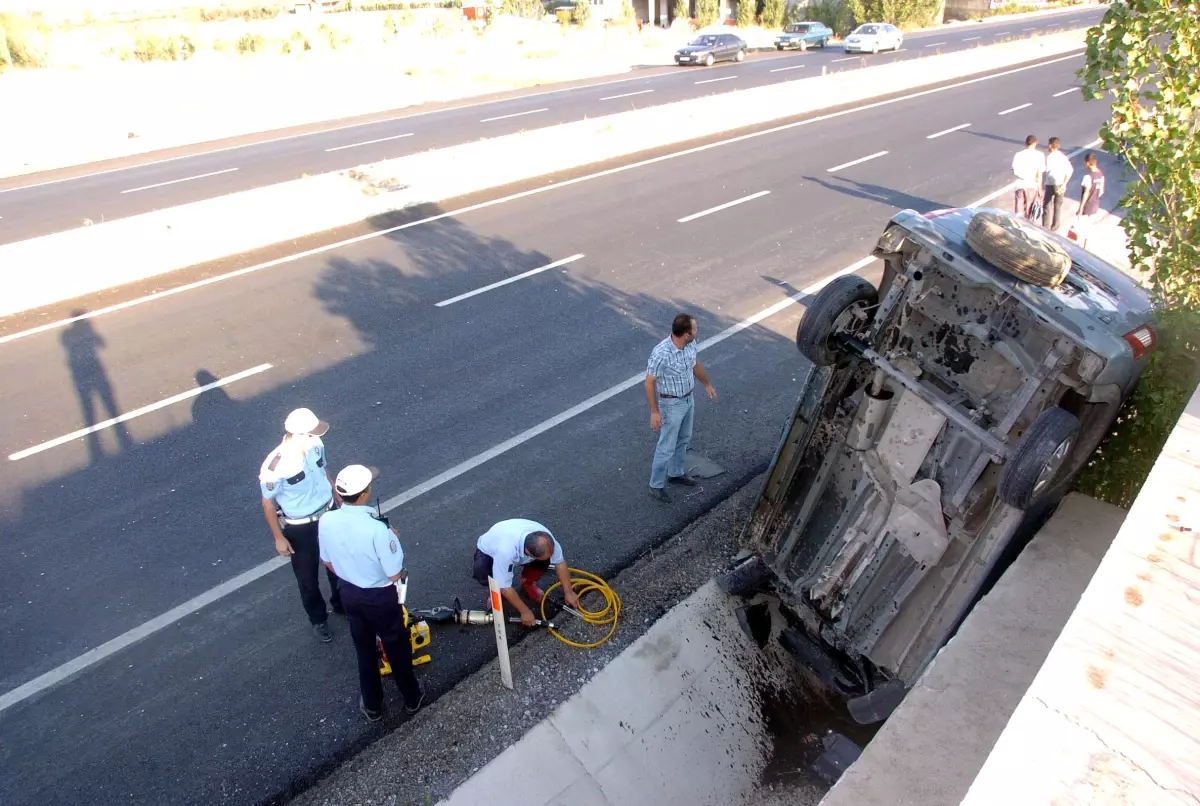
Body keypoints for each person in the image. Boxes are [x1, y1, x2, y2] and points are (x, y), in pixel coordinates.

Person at [319, 464, 424, 723]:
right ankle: (411, 698)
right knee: (396, 648)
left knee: (364, 649)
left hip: (349, 593)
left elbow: (329, 563)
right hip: (380, 597)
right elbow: (394, 574)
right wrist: (392, 540)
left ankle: (373, 705)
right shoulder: (378, 529)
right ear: (364, 494)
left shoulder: (326, 520)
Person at [259, 407, 343, 643]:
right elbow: (267, 503)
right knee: (307, 579)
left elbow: (322, 468)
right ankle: (318, 620)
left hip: (328, 514)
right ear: (299, 434)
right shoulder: (276, 465)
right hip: (300, 528)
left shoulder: (316, 444)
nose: (316, 435)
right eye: (311, 432)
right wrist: (278, 537)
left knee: (336, 565)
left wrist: (334, 490)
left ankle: (340, 603)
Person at [644, 313, 717, 503]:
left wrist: (707, 384)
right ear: (686, 333)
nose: (697, 330)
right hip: (671, 405)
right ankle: (656, 485)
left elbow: (695, 365)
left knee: (684, 438)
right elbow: (650, 382)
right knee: (666, 446)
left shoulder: (689, 345)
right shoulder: (661, 353)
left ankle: (676, 473)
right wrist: (654, 411)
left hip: (688, 399)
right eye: (694, 328)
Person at [473, 518, 580, 627]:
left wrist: (569, 592)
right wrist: (525, 611)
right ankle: (495, 593)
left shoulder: (546, 540)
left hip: (520, 546)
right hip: (490, 551)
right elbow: (505, 586)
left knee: (544, 561)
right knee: (483, 571)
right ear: (528, 553)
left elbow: (560, 563)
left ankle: (528, 583)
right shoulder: (505, 551)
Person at [1042, 137, 1073, 232]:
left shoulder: (1050, 157)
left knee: (1047, 205)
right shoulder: (1064, 157)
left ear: (1051, 146)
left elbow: (1049, 171)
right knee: (1057, 206)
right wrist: (1064, 184)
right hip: (1061, 184)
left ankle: (1045, 227)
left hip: (1051, 184)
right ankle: (1055, 227)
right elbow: (1070, 170)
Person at [1011, 135, 1045, 220]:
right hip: (1032, 185)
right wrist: (1040, 189)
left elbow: (1015, 171)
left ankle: (1018, 223)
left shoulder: (1018, 155)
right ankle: (1027, 225)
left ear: (1026, 143)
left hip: (1020, 184)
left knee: (1019, 208)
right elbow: (1039, 173)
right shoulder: (1040, 155)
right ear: (1035, 143)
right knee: (1029, 209)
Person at [1078, 152, 1106, 221]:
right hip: (1095, 206)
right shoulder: (1101, 175)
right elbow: (1101, 192)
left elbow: (1086, 193)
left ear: (1087, 163)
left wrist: (1080, 208)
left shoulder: (1088, 177)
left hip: (1087, 207)